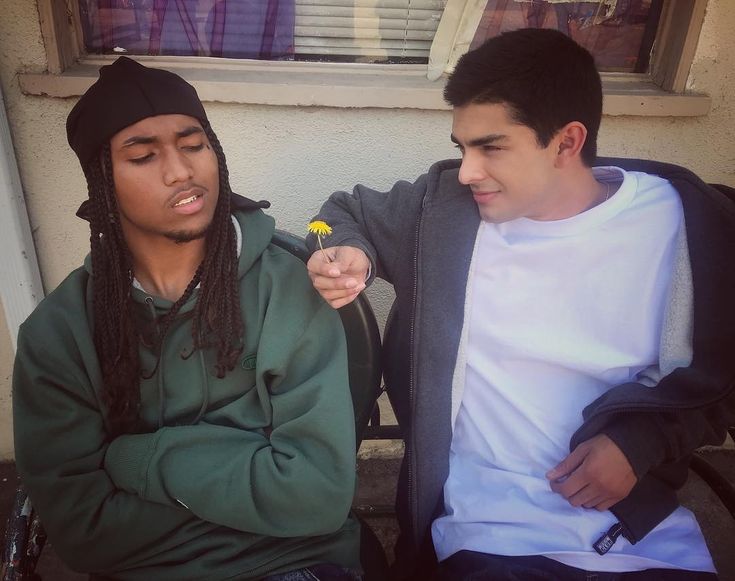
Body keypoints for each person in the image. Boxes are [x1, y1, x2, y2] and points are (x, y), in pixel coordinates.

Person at [306, 28, 735, 581]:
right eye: (462, 147)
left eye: (492, 147)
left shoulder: (694, 229)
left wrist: (643, 442)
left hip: (640, 537)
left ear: (566, 142)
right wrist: (343, 248)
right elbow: (335, 214)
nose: (467, 172)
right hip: (486, 535)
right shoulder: (443, 215)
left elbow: (722, 379)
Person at [13, 57, 361, 581]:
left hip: (293, 563)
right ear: (102, 179)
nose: (180, 171)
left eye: (193, 144)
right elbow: (85, 533)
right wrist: (256, 487)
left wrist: (136, 461)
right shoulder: (59, 334)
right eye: (143, 155)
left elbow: (315, 496)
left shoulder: (290, 290)